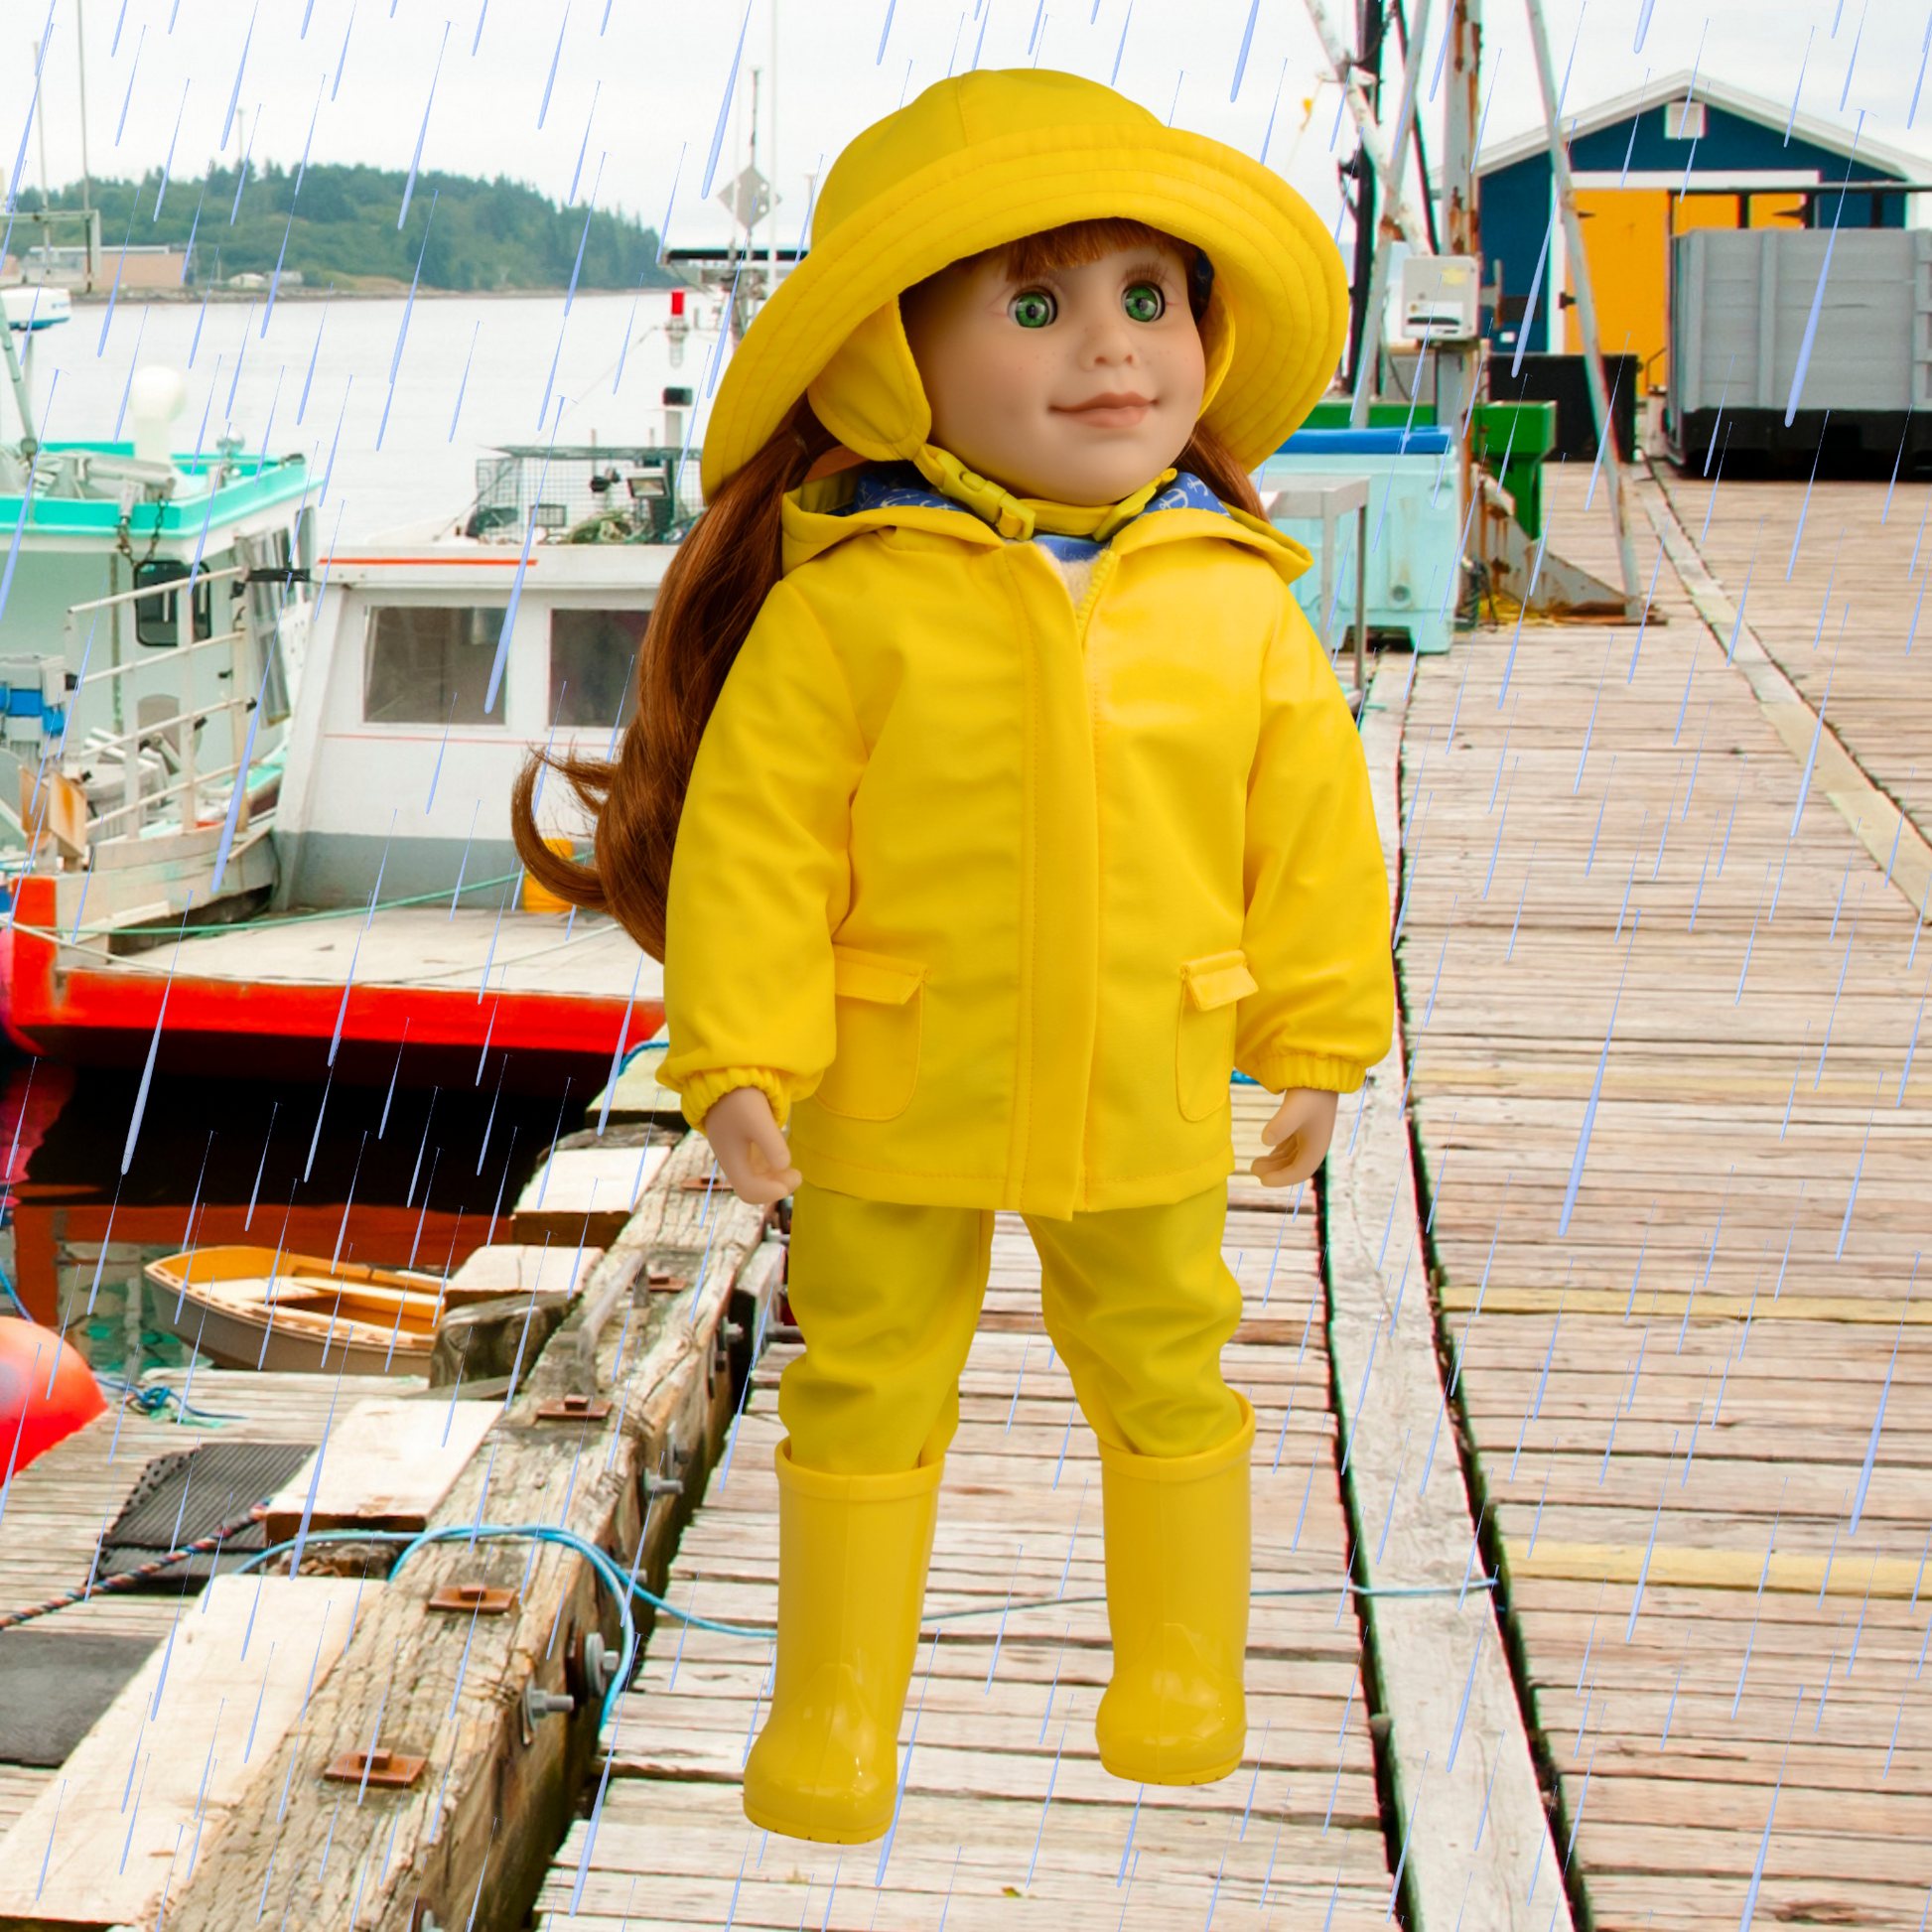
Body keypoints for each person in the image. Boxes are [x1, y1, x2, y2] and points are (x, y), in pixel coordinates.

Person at [511, 65, 1394, 1846]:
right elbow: (763, 850)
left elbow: (1309, 841)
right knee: (864, 1376)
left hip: (1149, 1060)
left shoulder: (1237, 601)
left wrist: (1318, 1035)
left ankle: (1183, 1676)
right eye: (1036, 307)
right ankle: (835, 1714)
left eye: (1149, 296)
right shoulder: (847, 603)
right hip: (896, 1073)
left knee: (1168, 1353)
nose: (1113, 347)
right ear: (890, 360)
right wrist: (739, 1055)